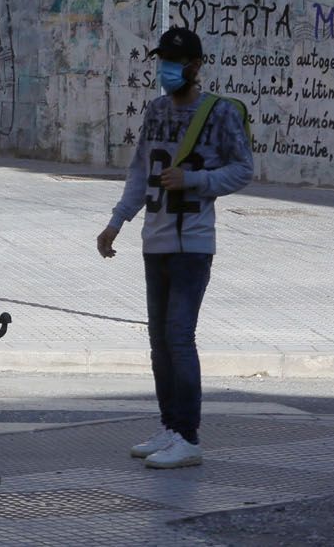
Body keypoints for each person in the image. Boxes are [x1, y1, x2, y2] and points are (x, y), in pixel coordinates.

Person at [97, 26, 251, 471]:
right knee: (159, 340)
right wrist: (116, 221)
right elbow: (139, 170)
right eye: (161, 60)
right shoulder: (156, 110)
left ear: (196, 66)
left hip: (193, 243)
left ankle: (189, 436)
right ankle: (169, 425)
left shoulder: (218, 114)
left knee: (180, 337)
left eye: (174, 61)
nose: (166, 69)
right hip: (155, 238)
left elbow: (243, 169)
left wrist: (197, 181)